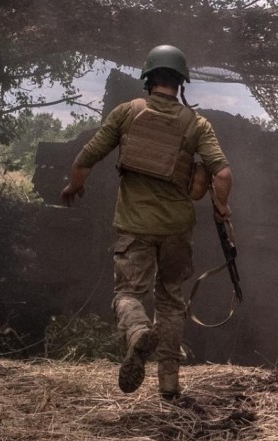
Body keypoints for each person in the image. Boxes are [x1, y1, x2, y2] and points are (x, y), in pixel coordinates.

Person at [60, 44, 233, 399]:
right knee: (170, 301)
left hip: (134, 227)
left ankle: (138, 331)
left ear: (149, 79)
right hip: (177, 231)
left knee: (127, 293)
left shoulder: (127, 112)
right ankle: (169, 386)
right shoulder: (196, 124)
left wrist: (74, 187)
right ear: (181, 83)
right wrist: (222, 208)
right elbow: (224, 174)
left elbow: (85, 158)